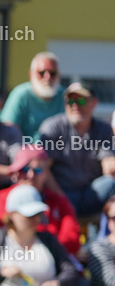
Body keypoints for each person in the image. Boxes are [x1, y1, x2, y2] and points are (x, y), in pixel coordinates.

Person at [0, 145, 81, 257]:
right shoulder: (1, 199)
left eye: (37, 170)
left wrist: (46, 253)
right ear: (17, 172)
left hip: (54, 261)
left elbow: (72, 240)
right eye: (25, 169)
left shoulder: (58, 201)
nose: (30, 175)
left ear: (46, 173)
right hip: (14, 259)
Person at [38, 83, 115, 217]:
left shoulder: (103, 129)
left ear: (94, 103)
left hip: (91, 193)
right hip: (61, 192)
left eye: (81, 101)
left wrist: (111, 165)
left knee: (110, 183)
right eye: (70, 101)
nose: (75, 105)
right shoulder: (53, 127)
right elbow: (43, 169)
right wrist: (62, 199)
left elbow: (109, 165)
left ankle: (107, 227)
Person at [0, 52, 64, 141]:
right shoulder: (20, 95)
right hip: (24, 148)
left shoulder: (65, 96)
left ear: (59, 75)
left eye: (52, 73)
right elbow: (8, 128)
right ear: (31, 74)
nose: (47, 77)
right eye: (41, 73)